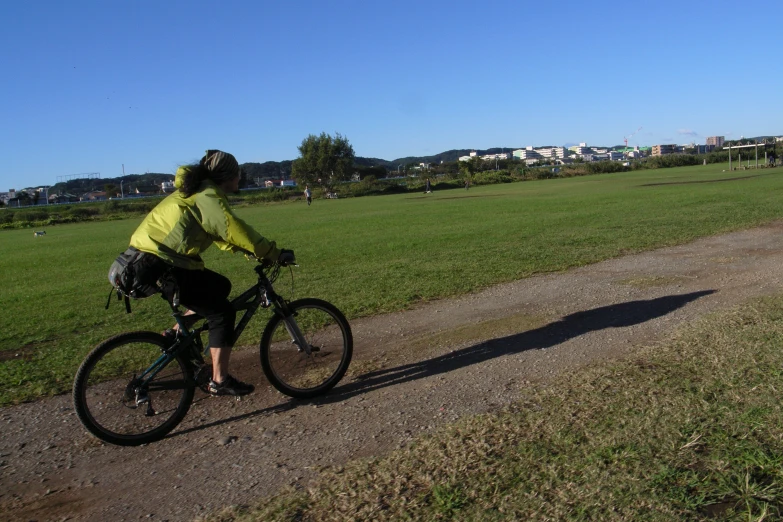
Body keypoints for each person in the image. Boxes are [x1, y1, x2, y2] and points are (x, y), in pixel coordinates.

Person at [127, 150, 294, 396]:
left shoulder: (197, 191)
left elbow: (221, 236)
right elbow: (235, 229)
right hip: (162, 264)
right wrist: (273, 252)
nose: (240, 178)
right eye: (238, 174)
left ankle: (175, 334)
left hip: (155, 261)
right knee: (222, 314)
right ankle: (219, 380)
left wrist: (251, 253)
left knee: (220, 286)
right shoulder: (207, 196)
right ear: (226, 175)